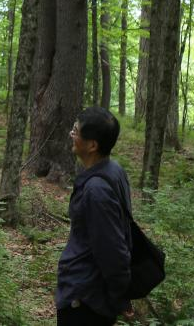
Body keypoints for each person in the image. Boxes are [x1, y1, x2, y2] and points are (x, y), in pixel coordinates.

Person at [56, 106, 133, 326]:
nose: (71, 134)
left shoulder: (97, 190)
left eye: (76, 131)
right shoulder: (113, 170)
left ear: (92, 145)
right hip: (89, 293)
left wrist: (121, 296)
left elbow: (113, 249)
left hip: (86, 299)